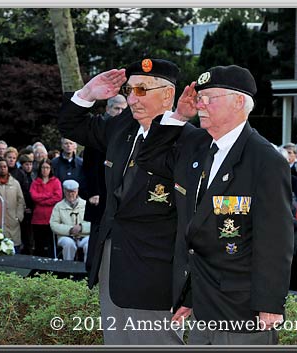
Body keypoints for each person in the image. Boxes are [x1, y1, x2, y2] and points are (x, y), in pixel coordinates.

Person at [137, 65, 293, 345]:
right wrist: (179, 116)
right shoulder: (195, 145)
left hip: (242, 309)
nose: (201, 103)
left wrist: (270, 303)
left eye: (211, 97)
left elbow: (276, 239)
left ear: (239, 102)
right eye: (200, 97)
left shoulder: (265, 160)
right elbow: (148, 158)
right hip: (200, 303)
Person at [58, 58, 183, 345]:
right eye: (130, 89)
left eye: (142, 90)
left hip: (157, 265)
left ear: (167, 95)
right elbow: (70, 124)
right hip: (113, 258)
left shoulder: (187, 138)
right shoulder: (121, 128)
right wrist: (88, 93)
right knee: (117, 340)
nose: (131, 97)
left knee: (158, 341)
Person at [82, 94, 127, 271]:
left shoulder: (128, 131)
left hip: (118, 196)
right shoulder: (98, 130)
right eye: (117, 108)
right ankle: (92, 271)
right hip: (99, 195)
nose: (121, 112)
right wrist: (92, 193)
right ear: (108, 109)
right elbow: (88, 166)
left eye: (124, 110)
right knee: (98, 235)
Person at [50, 179, 90, 262]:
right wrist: (70, 229)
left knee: (90, 243)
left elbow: (94, 223)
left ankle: (88, 270)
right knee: (69, 244)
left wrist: (81, 227)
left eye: (73, 192)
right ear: (64, 191)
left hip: (84, 235)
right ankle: (68, 270)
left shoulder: (85, 204)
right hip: (65, 236)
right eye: (68, 192)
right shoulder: (58, 206)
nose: (71, 194)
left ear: (77, 191)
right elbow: (53, 224)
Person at [29, 159, 62, 258]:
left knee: (51, 245)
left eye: (47, 168)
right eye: (43, 167)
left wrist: (42, 200)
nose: (45, 170)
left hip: (51, 217)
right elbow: (34, 196)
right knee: (39, 244)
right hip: (38, 218)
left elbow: (58, 197)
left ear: (51, 169)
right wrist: (48, 196)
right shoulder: (35, 182)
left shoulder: (55, 181)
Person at [0, 158, 26, 252]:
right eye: (0, 167)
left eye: (5, 167)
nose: (3, 169)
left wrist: (19, 216)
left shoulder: (15, 183)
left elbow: (21, 200)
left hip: (13, 221)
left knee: (14, 247)